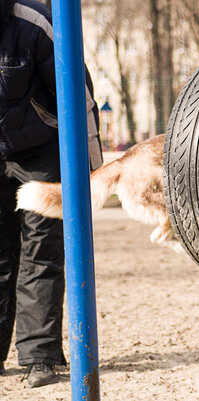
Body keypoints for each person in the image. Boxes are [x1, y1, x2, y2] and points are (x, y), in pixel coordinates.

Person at [0, 0, 102, 387]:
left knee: (41, 250)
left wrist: (90, 171)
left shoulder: (34, 20)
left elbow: (79, 96)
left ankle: (39, 357)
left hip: (41, 149)